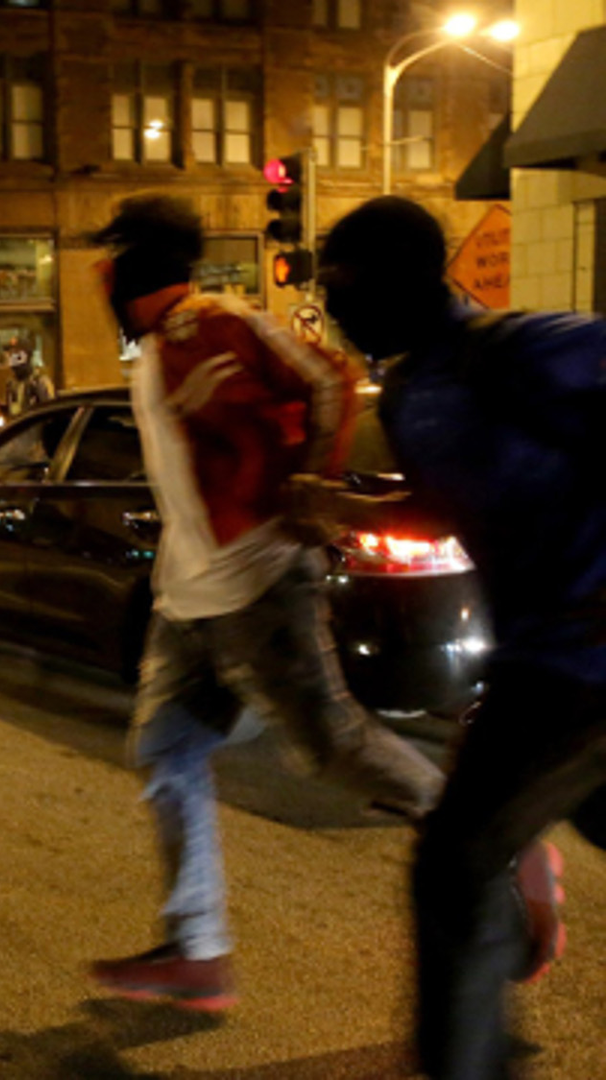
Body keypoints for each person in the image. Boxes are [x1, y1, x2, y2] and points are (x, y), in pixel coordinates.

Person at [83, 195, 448, 1011]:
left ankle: (488, 832)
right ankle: (198, 949)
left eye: (106, 266)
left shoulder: (218, 318)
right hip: (190, 597)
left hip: (259, 579)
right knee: (165, 753)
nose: (99, 281)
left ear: (127, 271)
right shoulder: (150, 353)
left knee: (331, 747)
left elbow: (329, 377)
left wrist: (308, 486)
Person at [310, 197, 596, 1080]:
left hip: (582, 658)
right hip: (540, 660)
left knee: (457, 863)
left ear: (413, 277)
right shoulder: (406, 394)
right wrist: (340, 508)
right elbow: (451, 504)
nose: (337, 308)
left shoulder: (525, 350)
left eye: (348, 288)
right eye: (328, 290)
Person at [1, 340, 54, 417]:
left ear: (28, 357)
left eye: (18, 355)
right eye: (11, 355)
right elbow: (6, 410)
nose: (14, 359)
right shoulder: (10, 384)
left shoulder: (40, 382)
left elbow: (49, 412)